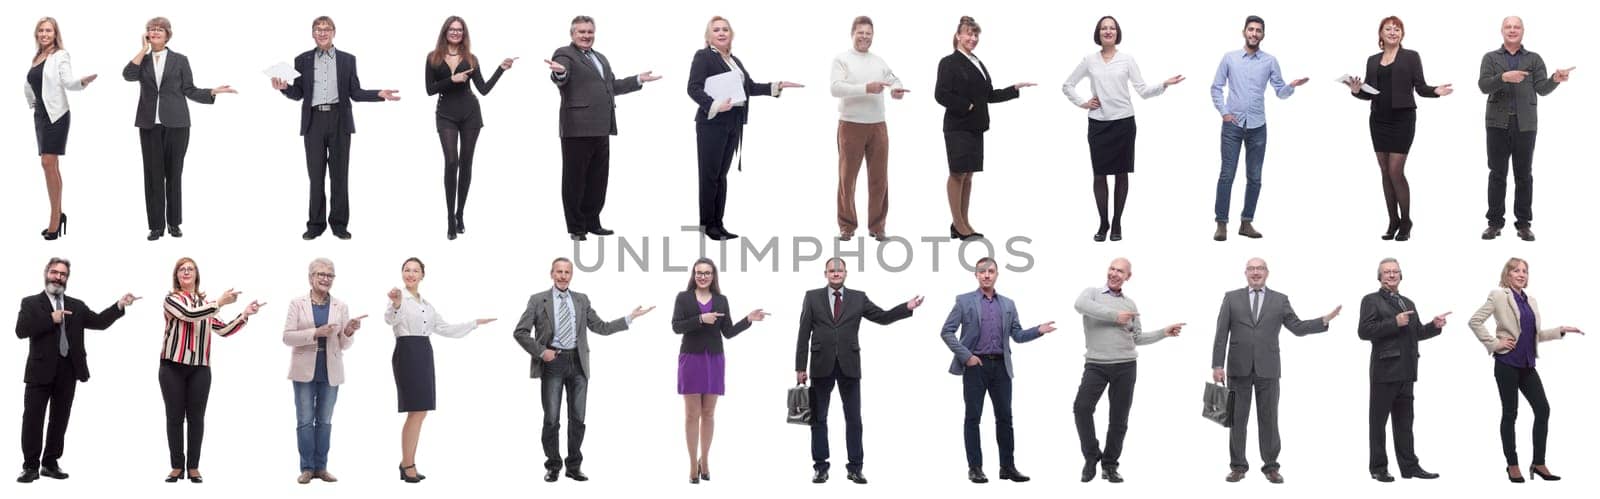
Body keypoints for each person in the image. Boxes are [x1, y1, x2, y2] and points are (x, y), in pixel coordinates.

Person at [512, 257, 653, 482]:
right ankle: (553, 465)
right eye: (558, 271)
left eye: (567, 272)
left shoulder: (581, 300)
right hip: (552, 362)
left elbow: (601, 327)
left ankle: (573, 466)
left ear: (571, 275)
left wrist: (629, 318)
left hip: (578, 363)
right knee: (551, 418)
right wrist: (542, 352)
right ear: (551, 274)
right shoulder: (538, 300)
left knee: (577, 418)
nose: (563, 275)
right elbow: (520, 332)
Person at [1210, 258, 1340, 483]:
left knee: (1269, 419)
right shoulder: (1231, 298)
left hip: (1268, 369)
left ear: (1267, 273)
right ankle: (1238, 467)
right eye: (1251, 268)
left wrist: (1324, 320)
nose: (1255, 272)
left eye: (1260, 268)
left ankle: (1270, 466)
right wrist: (1217, 365)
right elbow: (1221, 333)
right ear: (1245, 273)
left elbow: (1297, 328)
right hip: (1238, 369)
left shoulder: (1280, 300)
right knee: (1237, 420)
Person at [272, 16, 401, 241]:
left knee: (340, 176)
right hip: (313, 123)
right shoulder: (302, 59)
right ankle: (316, 224)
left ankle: (339, 224)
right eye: (318, 29)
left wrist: (378, 94)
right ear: (312, 33)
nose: (322, 33)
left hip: (340, 121)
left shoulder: (347, 60)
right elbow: (299, 93)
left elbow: (356, 92)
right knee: (316, 176)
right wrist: (283, 88)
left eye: (327, 29)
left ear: (334, 32)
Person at [795, 257, 919, 484]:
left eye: (839, 270)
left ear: (845, 273)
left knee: (854, 419)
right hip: (821, 365)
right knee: (818, 419)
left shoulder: (858, 298)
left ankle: (855, 468)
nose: (835, 274)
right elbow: (804, 333)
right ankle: (821, 467)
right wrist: (800, 367)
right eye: (831, 270)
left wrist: (906, 308)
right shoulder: (811, 297)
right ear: (825, 274)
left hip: (849, 365)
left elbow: (882, 317)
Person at [15, 258, 136, 483]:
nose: (58, 277)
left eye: (63, 274)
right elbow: (21, 330)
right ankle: (30, 466)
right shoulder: (30, 303)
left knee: (59, 419)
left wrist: (119, 305)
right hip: (39, 371)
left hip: (68, 370)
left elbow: (99, 322)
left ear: (67, 278)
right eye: (54, 272)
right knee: (33, 419)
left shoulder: (77, 305)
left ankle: (50, 463)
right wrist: (50, 319)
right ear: (46, 273)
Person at [1063, 16, 1183, 242]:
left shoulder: (1127, 60)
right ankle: (1103, 222)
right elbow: (1067, 85)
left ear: (1118, 33)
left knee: (1121, 174)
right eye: (1103, 28)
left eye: (1112, 28)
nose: (1108, 31)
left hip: (1124, 123)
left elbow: (1144, 90)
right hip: (1098, 123)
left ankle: (1117, 222)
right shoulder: (1089, 60)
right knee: (1099, 175)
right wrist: (1083, 103)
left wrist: (1164, 84)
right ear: (1098, 33)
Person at [686, 16, 803, 241]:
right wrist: (715, 104)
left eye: (725, 29)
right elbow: (693, 88)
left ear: (731, 34)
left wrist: (776, 86)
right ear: (709, 36)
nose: (721, 33)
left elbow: (749, 87)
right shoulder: (703, 57)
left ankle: (718, 224)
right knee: (709, 176)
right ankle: (707, 225)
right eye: (716, 30)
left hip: (733, 122)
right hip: (712, 123)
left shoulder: (734, 61)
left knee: (721, 175)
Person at [1466, 258, 1584, 482]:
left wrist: (1561, 330)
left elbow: (1534, 335)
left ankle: (1539, 463)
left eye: (1525, 271)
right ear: (1507, 274)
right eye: (1516, 270)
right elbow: (1475, 321)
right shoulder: (1499, 295)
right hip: (1507, 363)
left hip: (1528, 364)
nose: (1521, 274)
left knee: (1543, 409)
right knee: (1510, 413)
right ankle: (1512, 465)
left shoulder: (1531, 300)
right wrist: (1494, 343)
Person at [939, 257, 1055, 484]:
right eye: (981, 271)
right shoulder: (964, 301)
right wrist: (967, 356)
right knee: (973, 418)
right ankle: (975, 468)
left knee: (1005, 418)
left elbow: (1018, 336)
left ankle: (1007, 467)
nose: (986, 275)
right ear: (976, 275)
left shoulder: (1008, 304)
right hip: (976, 366)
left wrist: (1038, 330)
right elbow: (947, 331)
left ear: (996, 274)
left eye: (990, 271)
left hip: (1001, 367)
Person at [122, 17, 236, 242]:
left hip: (177, 124)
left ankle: (174, 223)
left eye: (159, 30)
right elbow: (128, 75)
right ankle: (156, 226)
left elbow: (189, 89)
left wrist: (211, 92)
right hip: (149, 125)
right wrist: (142, 49)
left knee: (174, 175)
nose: (154, 32)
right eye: (151, 29)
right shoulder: (142, 61)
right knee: (153, 177)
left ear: (167, 35)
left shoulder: (180, 60)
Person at [1071, 257, 1183, 483]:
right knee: (1082, 408)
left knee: (1119, 418)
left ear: (1127, 277)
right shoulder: (1091, 294)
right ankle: (1092, 456)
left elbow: (1137, 338)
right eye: (1112, 268)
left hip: (1125, 365)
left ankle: (1110, 465)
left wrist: (1163, 332)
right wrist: (1114, 316)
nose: (1114, 273)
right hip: (1096, 364)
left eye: (1120, 271)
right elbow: (1079, 306)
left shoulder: (1130, 304)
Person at [547, 15, 658, 241]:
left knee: (598, 178)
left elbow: (612, 86)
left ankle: (592, 221)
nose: (586, 36)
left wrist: (638, 79)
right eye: (581, 32)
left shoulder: (601, 58)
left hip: (602, 126)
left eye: (590, 32)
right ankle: (577, 227)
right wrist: (559, 72)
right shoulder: (564, 54)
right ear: (572, 34)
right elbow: (562, 75)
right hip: (577, 128)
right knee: (575, 179)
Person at [385, 257, 495, 483]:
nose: (411, 274)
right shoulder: (399, 298)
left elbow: (444, 328)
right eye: (407, 270)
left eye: (415, 270)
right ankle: (407, 464)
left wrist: (474, 323)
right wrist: (396, 304)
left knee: (421, 411)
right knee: (414, 410)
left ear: (422, 275)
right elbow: (389, 320)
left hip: (424, 352)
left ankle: (407, 461)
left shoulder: (427, 305)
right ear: (402, 273)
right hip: (407, 352)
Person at [1347, 16, 1452, 242]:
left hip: (1402, 120)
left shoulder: (1411, 57)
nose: (1393, 32)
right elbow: (1369, 92)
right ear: (1381, 34)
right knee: (1384, 172)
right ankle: (1392, 220)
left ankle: (1406, 221)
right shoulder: (1372, 60)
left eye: (1397, 29)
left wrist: (1436, 91)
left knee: (1396, 171)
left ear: (1402, 34)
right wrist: (1356, 90)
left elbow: (1421, 87)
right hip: (1378, 121)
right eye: (1388, 29)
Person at [159, 257, 263, 483]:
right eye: (182, 269)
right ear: (176, 275)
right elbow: (189, 314)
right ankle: (177, 466)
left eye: (191, 269)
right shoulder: (172, 299)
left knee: (196, 418)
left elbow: (223, 329)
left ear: (197, 275)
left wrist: (244, 314)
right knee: (175, 417)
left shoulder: (205, 305)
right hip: (172, 367)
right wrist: (220, 302)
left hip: (200, 369)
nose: (186, 272)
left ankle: (193, 467)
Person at [1208, 16, 1307, 241]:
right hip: (1232, 125)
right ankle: (1221, 223)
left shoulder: (1270, 61)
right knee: (1227, 175)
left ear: (1263, 35)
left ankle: (1246, 222)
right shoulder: (1230, 58)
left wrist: (1291, 87)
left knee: (1254, 177)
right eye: (1251, 29)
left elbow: (1279, 91)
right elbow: (1216, 87)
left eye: (1258, 31)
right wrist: (1224, 112)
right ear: (1244, 32)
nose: (1254, 33)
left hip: (1257, 126)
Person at [935, 16, 1033, 242]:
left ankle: (964, 222)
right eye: (968, 33)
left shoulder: (977, 61)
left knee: (968, 175)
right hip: (958, 126)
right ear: (958, 35)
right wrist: (966, 105)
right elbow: (941, 94)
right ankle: (958, 224)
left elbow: (988, 95)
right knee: (957, 173)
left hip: (976, 127)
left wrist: (1013, 89)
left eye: (975, 34)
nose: (973, 38)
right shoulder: (948, 62)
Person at [670, 258, 767, 484]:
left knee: (709, 413)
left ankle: (706, 460)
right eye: (699, 273)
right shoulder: (683, 298)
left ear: (713, 276)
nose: (703, 276)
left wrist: (748, 320)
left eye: (707, 273)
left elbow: (729, 332)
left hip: (714, 359)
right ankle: (693, 464)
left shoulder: (721, 300)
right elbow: (676, 326)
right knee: (692, 414)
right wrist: (700, 319)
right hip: (691, 359)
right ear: (693, 275)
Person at [1476, 17, 1573, 241]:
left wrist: (1555, 79)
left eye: (1516, 27)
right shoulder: (1490, 58)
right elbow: (1483, 86)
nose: (1512, 30)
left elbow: (1542, 88)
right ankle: (1494, 223)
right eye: (1508, 27)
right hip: (1496, 124)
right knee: (1497, 174)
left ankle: (1523, 224)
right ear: (1502, 31)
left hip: (1525, 124)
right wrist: (1503, 77)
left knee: (1524, 175)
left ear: (1523, 31)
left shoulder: (1534, 59)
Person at [1356, 257, 1446, 482]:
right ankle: (1378, 468)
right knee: (1378, 423)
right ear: (1380, 276)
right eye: (1386, 272)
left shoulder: (1408, 302)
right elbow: (1364, 331)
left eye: (1395, 271)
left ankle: (1410, 467)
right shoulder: (1371, 300)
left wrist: (1433, 327)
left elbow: (1415, 333)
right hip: (1385, 372)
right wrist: (1393, 323)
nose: (1391, 275)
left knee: (1405, 424)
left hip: (1407, 371)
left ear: (1401, 275)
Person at [426, 16, 514, 240]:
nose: (456, 33)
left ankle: (460, 214)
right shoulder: (433, 58)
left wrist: (501, 69)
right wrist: (451, 80)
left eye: (460, 30)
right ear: (445, 32)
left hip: (470, 115)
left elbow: (483, 89)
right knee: (451, 162)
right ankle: (449, 218)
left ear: (464, 34)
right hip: (446, 114)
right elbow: (429, 89)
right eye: (452, 29)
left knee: (466, 164)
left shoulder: (471, 58)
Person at [280, 258, 364, 484]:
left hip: (330, 371)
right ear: (311, 277)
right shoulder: (297, 303)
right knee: (305, 421)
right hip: (304, 370)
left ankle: (322, 467)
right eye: (321, 274)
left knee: (325, 421)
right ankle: (307, 468)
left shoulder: (340, 306)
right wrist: (316, 332)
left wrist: (348, 330)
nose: (326, 278)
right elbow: (287, 337)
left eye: (330, 275)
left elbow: (345, 344)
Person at [830, 16, 907, 242]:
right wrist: (866, 87)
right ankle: (847, 226)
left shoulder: (879, 61)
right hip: (851, 125)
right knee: (847, 178)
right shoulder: (841, 60)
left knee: (879, 178)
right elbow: (835, 88)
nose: (865, 37)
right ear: (852, 33)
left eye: (868, 33)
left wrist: (897, 90)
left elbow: (894, 80)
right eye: (860, 32)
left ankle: (877, 227)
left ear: (873, 35)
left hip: (878, 126)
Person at [25, 18, 96, 241]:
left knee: (47, 162)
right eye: (41, 30)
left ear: (55, 34)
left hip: (57, 115)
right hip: (41, 115)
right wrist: (33, 104)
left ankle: (55, 217)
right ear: (37, 34)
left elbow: (68, 82)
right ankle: (58, 213)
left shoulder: (60, 56)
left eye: (49, 30)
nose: (44, 34)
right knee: (50, 165)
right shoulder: (37, 57)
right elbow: (31, 84)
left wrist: (82, 83)